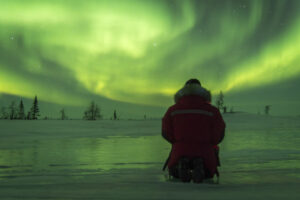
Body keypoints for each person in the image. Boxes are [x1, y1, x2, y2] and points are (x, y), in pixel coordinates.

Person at [162, 79, 225, 183]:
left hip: (179, 150)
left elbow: (165, 132)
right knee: (208, 173)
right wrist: (211, 142)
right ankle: (201, 165)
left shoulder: (172, 110)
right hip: (205, 151)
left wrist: (177, 142)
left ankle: (181, 164)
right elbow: (219, 133)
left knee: (174, 172)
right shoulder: (212, 111)